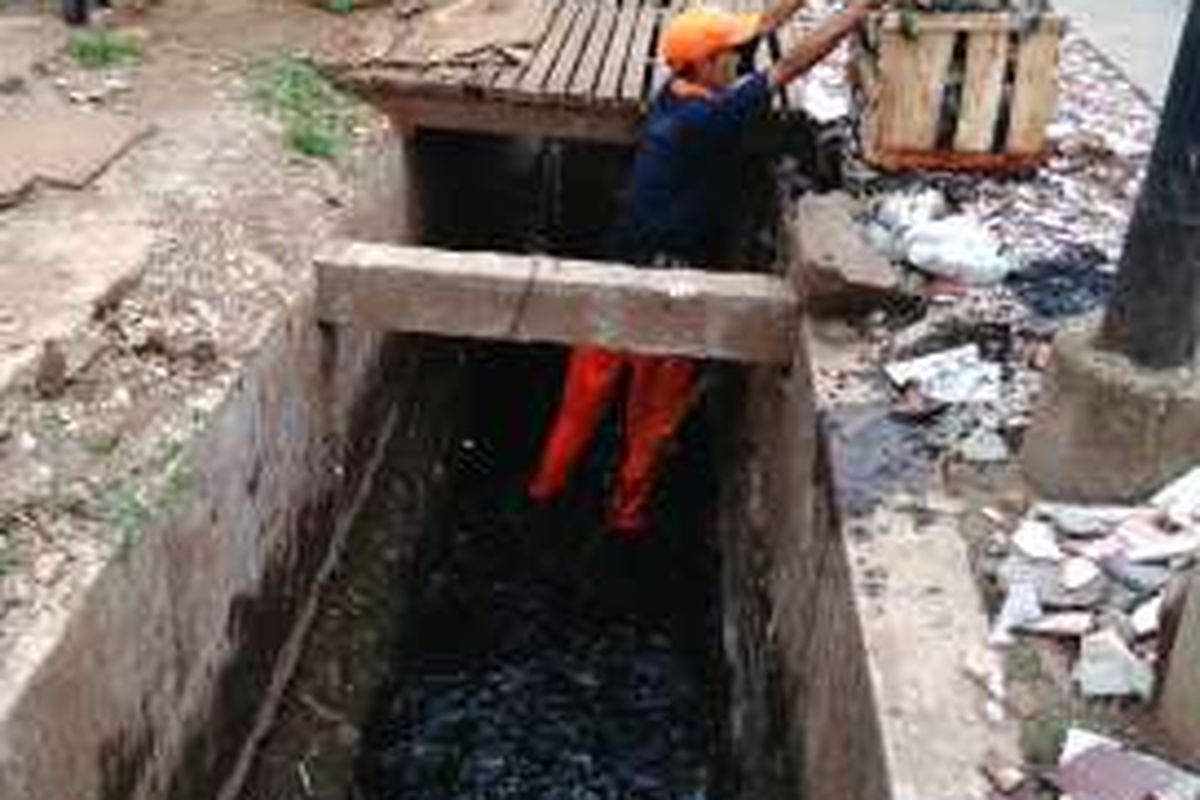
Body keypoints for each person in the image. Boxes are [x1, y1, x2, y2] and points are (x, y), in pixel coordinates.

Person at [528, 0, 882, 536]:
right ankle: (626, 519)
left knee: (579, 408)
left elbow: (761, 28)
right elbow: (795, 63)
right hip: (671, 291)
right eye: (730, 55)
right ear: (709, 63)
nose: (741, 61)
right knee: (650, 423)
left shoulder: (674, 94)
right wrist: (861, 10)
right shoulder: (714, 116)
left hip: (617, 273)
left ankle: (543, 495)